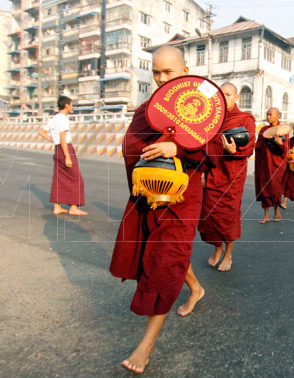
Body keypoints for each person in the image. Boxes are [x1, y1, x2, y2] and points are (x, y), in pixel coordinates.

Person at [108, 46, 223, 374]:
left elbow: (215, 146)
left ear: (185, 71)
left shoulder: (205, 105)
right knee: (163, 254)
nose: (160, 78)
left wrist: (179, 146)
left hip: (181, 201)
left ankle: (145, 345)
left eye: (168, 72)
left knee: (164, 262)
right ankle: (196, 288)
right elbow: (133, 145)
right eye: (156, 72)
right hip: (148, 195)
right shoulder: (148, 108)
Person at [198, 83, 256, 272]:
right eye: (221, 94)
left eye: (228, 94)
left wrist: (235, 151)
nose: (224, 98)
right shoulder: (212, 118)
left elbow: (249, 145)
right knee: (210, 215)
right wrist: (203, 172)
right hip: (213, 173)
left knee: (228, 215)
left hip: (232, 174)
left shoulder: (245, 119)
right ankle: (217, 248)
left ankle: (228, 254)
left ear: (236, 97)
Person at [38, 96, 87, 216]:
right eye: (71, 104)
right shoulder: (63, 119)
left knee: (59, 178)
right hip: (65, 149)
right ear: (66, 105)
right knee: (76, 179)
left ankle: (57, 207)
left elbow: (41, 131)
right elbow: (62, 138)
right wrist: (68, 156)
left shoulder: (54, 118)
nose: (72, 107)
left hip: (57, 149)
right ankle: (73, 207)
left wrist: (52, 140)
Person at [254, 108, 289, 223]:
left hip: (276, 164)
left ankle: (277, 211)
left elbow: (285, 149)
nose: (268, 116)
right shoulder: (263, 130)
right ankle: (266, 215)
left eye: (270, 114)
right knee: (264, 187)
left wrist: (280, 144)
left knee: (275, 187)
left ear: (277, 116)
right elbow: (258, 146)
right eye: (267, 114)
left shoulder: (283, 130)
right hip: (264, 164)